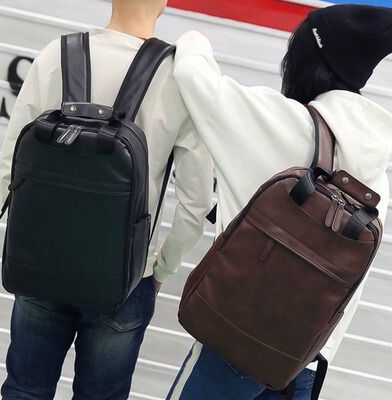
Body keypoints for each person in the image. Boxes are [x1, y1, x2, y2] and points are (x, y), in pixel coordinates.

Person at [166, 4, 392, 400]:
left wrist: (195, 37)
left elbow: (192, 74)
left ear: (310, 58)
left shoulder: (280, 119)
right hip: (305, 360)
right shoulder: (377, 165)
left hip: (238, 344)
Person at [0, 0, 213, 399]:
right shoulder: (176, 78)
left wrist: (25, 240)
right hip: (125, 281)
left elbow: (11, 165)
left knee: (25, 391)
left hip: (40, 262)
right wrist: (159, 269)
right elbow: (195, 205)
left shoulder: (57, 53)